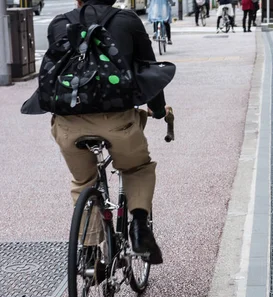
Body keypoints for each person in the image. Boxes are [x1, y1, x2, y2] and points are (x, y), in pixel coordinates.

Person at [26, 0, 169, 265]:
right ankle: (139, 229)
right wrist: (158, 110)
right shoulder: (128, 21)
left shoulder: (59, 23)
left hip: (69, 123)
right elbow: (148, 70)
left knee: (84, 182)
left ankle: (90, 253)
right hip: (118, 121)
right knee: (137, 168)